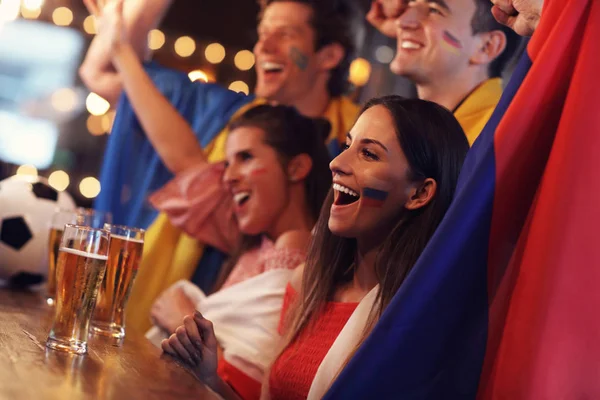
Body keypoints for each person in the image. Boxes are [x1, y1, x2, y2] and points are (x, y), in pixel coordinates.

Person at [161, 95, 470, 399]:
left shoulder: (415, 318)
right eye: (348, 145)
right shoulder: (306, 284)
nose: (337, 163)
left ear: (419, 193)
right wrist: (210, 378)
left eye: (369, 155)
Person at [82, 0, 363, 333]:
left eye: (285, 34)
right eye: (262, 33)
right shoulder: (226, 112)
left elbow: (196, 173)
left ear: (329, 55)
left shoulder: (353, 146)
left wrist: (121, 48)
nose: (264, 46)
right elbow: (101, 73)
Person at [139, 104, 330, 399]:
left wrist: (183, 322)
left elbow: (253, 386)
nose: (227, 177)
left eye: (245, 157)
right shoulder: (255, 242)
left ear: (296, 168)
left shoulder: (295, 246)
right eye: (227, 163)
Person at [367, 0, 521, 145]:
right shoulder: (419, 131)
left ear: (486, 47)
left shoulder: (499, 139)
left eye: (434, 10)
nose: (401, 22)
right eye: (409, 6)